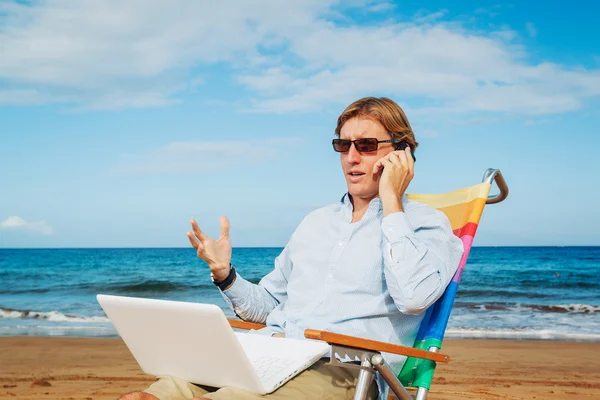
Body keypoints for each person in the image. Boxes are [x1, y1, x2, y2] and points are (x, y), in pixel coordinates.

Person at [120, 97, 464, 400]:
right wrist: (225, 274)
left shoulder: (427, 225)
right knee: (147, 396)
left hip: (342, 372)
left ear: (402, 152)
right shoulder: (315, 223)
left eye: (367, 145)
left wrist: (391, 200)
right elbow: (268, 306)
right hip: (269, 355)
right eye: (343, 146)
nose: (352, 157)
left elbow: (413, 297)